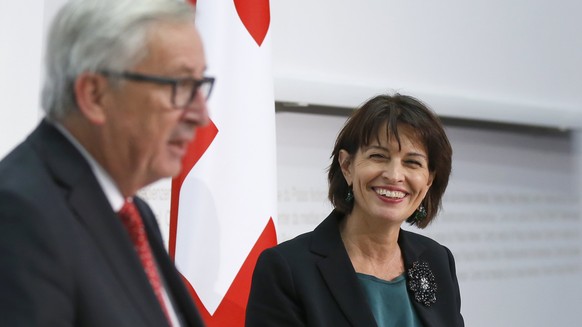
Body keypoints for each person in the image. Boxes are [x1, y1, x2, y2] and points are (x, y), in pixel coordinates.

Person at [0, 0, 213, 326]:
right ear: (95, 94)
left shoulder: (134, 213)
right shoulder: (20, 213)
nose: (201, 116)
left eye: (199, 86)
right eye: (179, 86)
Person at [246, 93, 464, 327]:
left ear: (429, 180)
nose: (394, 175)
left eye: (412, 162)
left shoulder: (437, 259)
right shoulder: (287, 269)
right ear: (347, 166)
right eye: (378, 156)